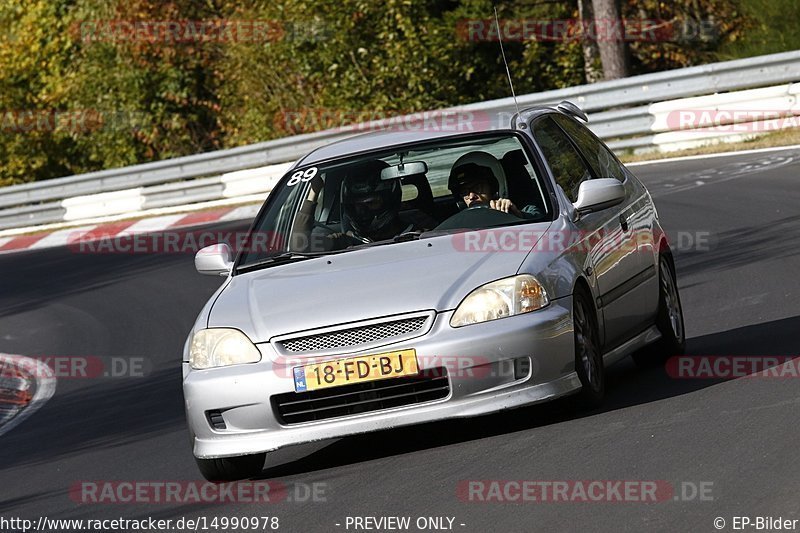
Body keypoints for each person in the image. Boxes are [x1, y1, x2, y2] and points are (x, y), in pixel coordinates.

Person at [448, 162, 541, 219]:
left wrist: (518, 214)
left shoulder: (515, 209)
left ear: (493, 188)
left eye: (477, 188)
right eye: (465, 192)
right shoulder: (458, 222)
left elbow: (539, 218)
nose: (471, 196)